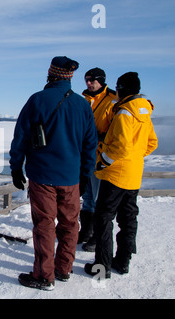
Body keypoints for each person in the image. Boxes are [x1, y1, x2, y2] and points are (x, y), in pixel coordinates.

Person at [9, 56, 97, 290]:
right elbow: (90, 145)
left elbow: (20, 138)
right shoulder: (83, 105)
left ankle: (43, 276)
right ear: (69, 77)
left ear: (51, 74)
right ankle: (64, 269)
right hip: (71, 178)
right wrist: (86, 175)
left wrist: (16, 167)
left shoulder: (37, 100)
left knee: (45, 225)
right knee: (70, 224)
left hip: (43, 177)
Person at [85, 72, 158, 278]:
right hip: (134, 175)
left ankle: (102, 267)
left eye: (118, 87)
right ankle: (123, 262)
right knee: (128, 219)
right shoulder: (144, 111)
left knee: (103, 219)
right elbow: (152, 143)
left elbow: (120, 146)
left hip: (115, 175)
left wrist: (103, 162)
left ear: (122, 89)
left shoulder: (124, 112)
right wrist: (134, 158)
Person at [78, 68, 116, 251]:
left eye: (92, 80)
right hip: (84, 154)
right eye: (86, 79)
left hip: (101, 156)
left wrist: (99, 137)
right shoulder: (83, 99)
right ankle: (86, 231)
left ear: (101, 80)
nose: (89, 83)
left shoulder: (113, 100)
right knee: (86, 195)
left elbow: (118, 129)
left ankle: (96, 236)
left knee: (98, 197)